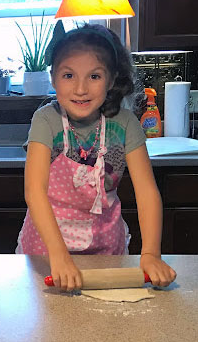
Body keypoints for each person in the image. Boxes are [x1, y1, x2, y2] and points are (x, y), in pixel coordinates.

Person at [17, 23, 176, 291]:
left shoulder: (125, 124)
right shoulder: (46, 120)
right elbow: (34, 191)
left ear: (111, 80)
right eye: (68, 76)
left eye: (94, 76)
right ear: (53, 78)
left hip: (106, 251)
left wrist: (150, 254)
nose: (81, 89)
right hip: (47, 253)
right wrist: (58, 256)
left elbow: (147, 192)